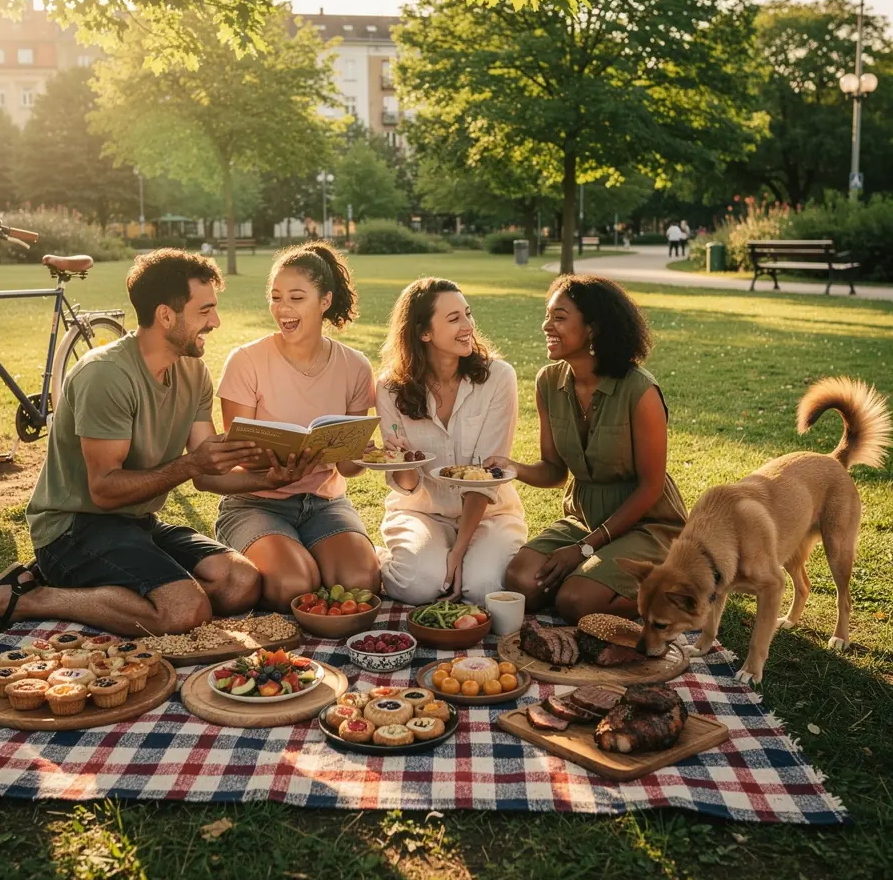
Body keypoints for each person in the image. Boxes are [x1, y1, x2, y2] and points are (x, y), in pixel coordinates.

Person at [0, 249, 319, 637]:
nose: (216, 322)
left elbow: (207, 475)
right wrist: (191, 464)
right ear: (166, 316)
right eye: (205, 311)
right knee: (185, 612)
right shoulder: (105, 376)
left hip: (136, 524)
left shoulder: (193, 372)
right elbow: (105, 490)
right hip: (74, 528)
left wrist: (269, 480)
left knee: (240, 583)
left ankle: (120, 588)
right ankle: (26, 598)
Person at [498, 275, 687, 621]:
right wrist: (511, 468)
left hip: (647, 522)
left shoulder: (639, 390)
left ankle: (679, 590)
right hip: (584, 518)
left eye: (559, 317)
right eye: (547, 316)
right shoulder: (548, 382)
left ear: (593, 328)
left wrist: (585, 548)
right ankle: (595, 577)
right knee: (521, 580)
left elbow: (651, 486)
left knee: (576, 601)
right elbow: (554, 471)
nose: (546, 326)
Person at [216, 242, 381, 611]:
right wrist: (279, 465)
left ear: (325, 301)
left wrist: (362, 453)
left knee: (361, 582)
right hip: (256, 503)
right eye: (276, 298)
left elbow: (348, 469)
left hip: (323, 503)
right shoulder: (246, 361)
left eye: (296, 297)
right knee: (294, 585)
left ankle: (306, 551)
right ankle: (281, 552)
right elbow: (236, 458)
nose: (283, 309)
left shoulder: (355, 366)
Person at [375, 279, 527, 604]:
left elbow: (486, 477)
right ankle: (383, 559)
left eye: (467, 314)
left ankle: (463, 558)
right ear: (424, 333)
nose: (468, 326)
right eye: (454, 318)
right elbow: (407, 485)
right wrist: (404, 461)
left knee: (483, 589)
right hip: (422, 512)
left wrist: (459, 550)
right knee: (418, 586)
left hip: (490, 513)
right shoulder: (390, 388)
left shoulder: (499, 378)